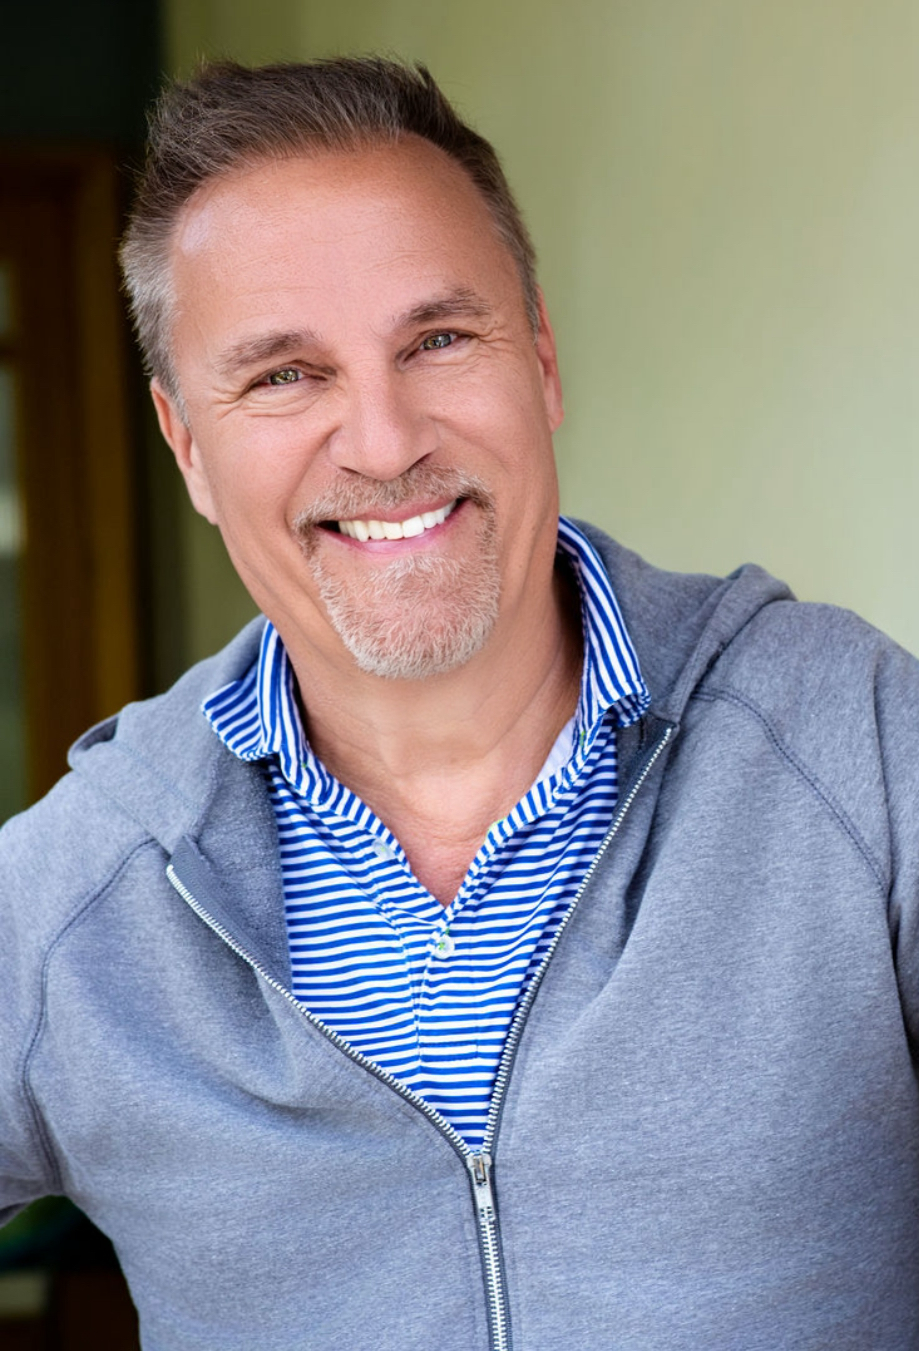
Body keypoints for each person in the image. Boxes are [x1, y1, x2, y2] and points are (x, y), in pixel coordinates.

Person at [2, 57, 919, 1351]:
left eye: (437, 338)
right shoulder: (82, 896)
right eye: (283, 375)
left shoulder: (856, 746)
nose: (381, 441)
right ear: (187, 446)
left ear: (539, 359)